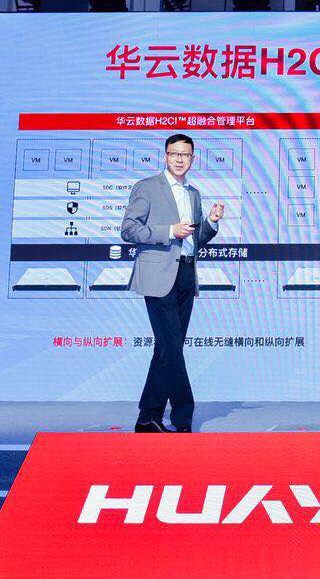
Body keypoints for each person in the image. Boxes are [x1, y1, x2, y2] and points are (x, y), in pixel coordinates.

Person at [120, 134, 224, 433]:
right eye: (174, 154)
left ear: (192, 159)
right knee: (171, 347)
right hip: (158, 275)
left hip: (187, 273)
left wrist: (211, 222)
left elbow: (196, 239)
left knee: (168, 349)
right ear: (165, 156)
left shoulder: (194, 194)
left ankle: (148, 416)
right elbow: (128, 229)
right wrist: (169, 231)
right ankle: (182, 413)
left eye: (185, 155)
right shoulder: (147, 187)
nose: (180, 159)